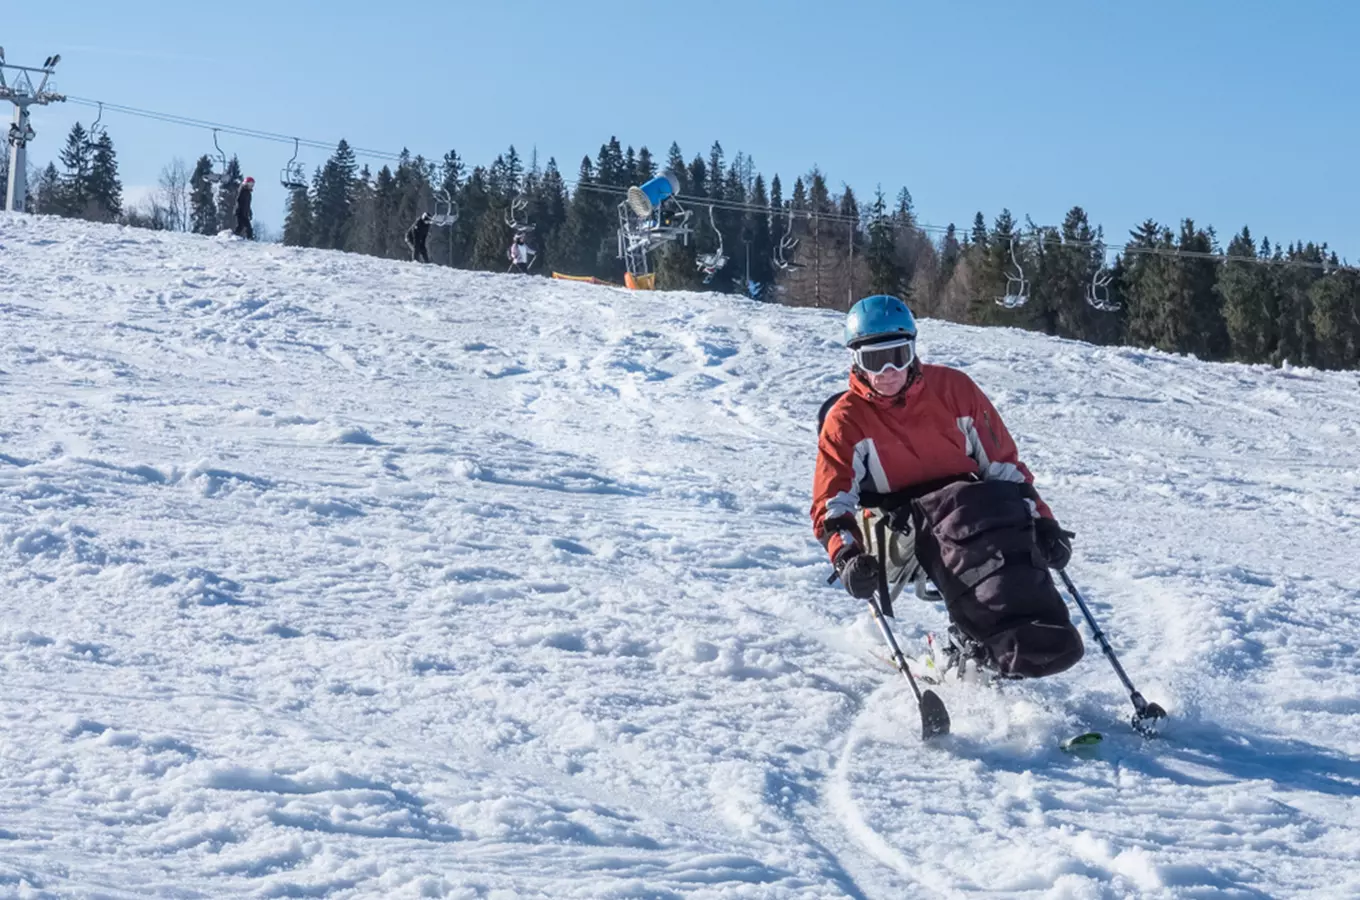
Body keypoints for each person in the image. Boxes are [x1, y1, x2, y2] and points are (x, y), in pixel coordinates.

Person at [811, 294, 1083, 680]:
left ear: (913, 352)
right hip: (894, 525)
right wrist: (846, 556)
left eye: (899, 355)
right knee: (960, 532)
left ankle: (1025, 636)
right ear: (856, 361)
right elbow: (831, 503)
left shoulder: (955, 390)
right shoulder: (846, 420)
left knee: (1001, 524)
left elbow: (1004, 468)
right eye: (874, 360)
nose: (889, 371)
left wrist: (1043, 522)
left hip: (968, 511)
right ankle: (977, 636)